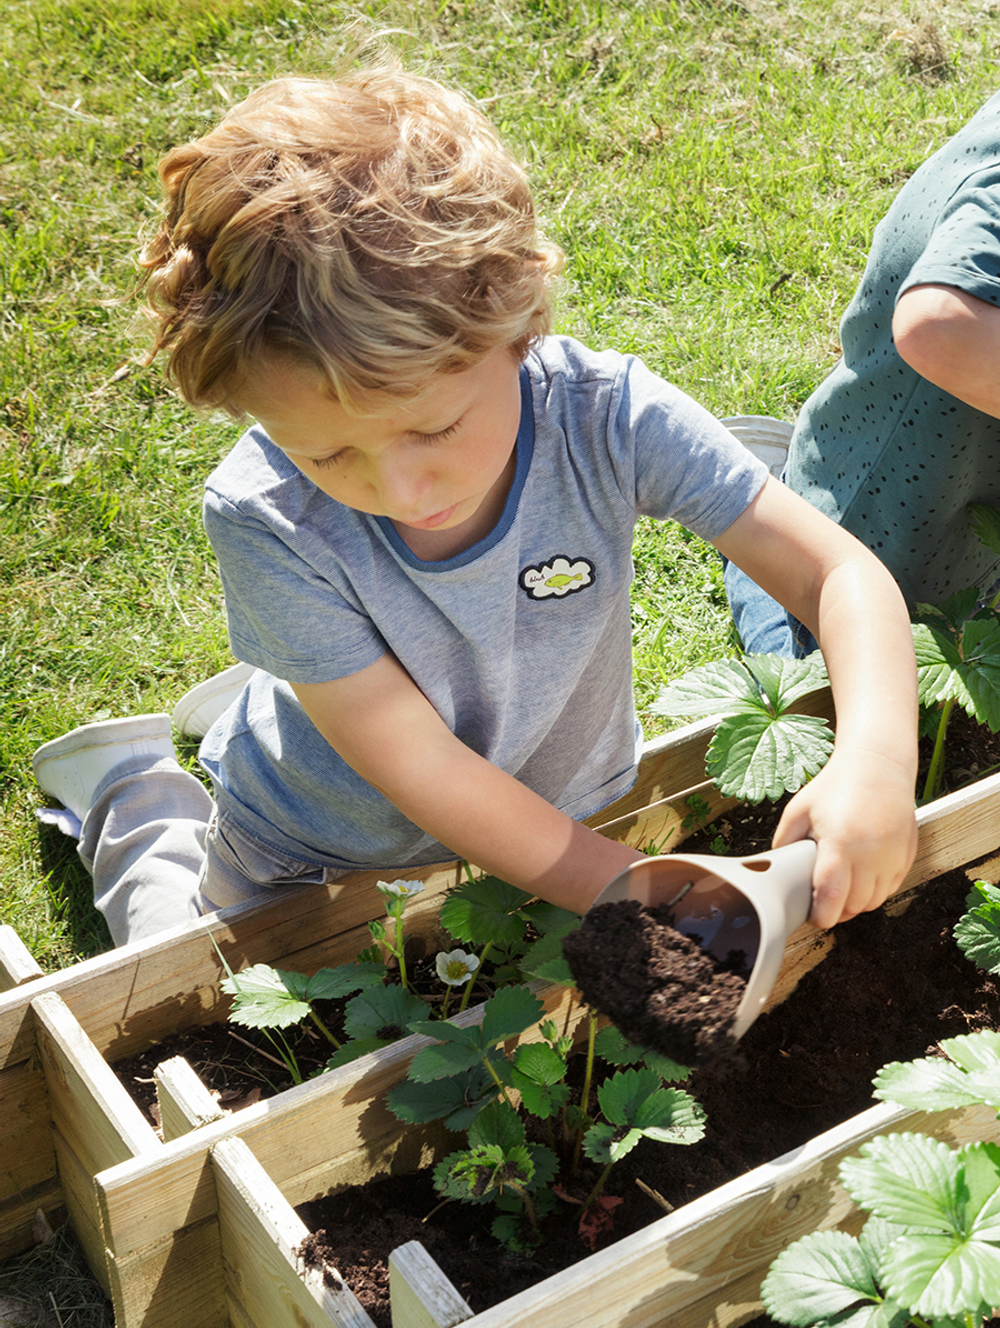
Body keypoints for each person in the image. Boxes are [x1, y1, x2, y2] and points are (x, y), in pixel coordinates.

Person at [33, 62, 918, 948]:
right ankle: (130, 787)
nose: (400, 491)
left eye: (437, 428)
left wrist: (875, 762)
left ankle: (306, 664)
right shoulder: (267, 512)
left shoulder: (602, 416)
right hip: (310, 852)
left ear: (518, 326)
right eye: (328, 452)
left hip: (561, 813)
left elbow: (835, 570)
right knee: (180, 965)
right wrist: (638, 889)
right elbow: (427, 770)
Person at [726, 89, 1000, 657]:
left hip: (966, 522)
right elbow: (942, 327)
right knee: (826, 663)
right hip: (876, 540)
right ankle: (758, 525)